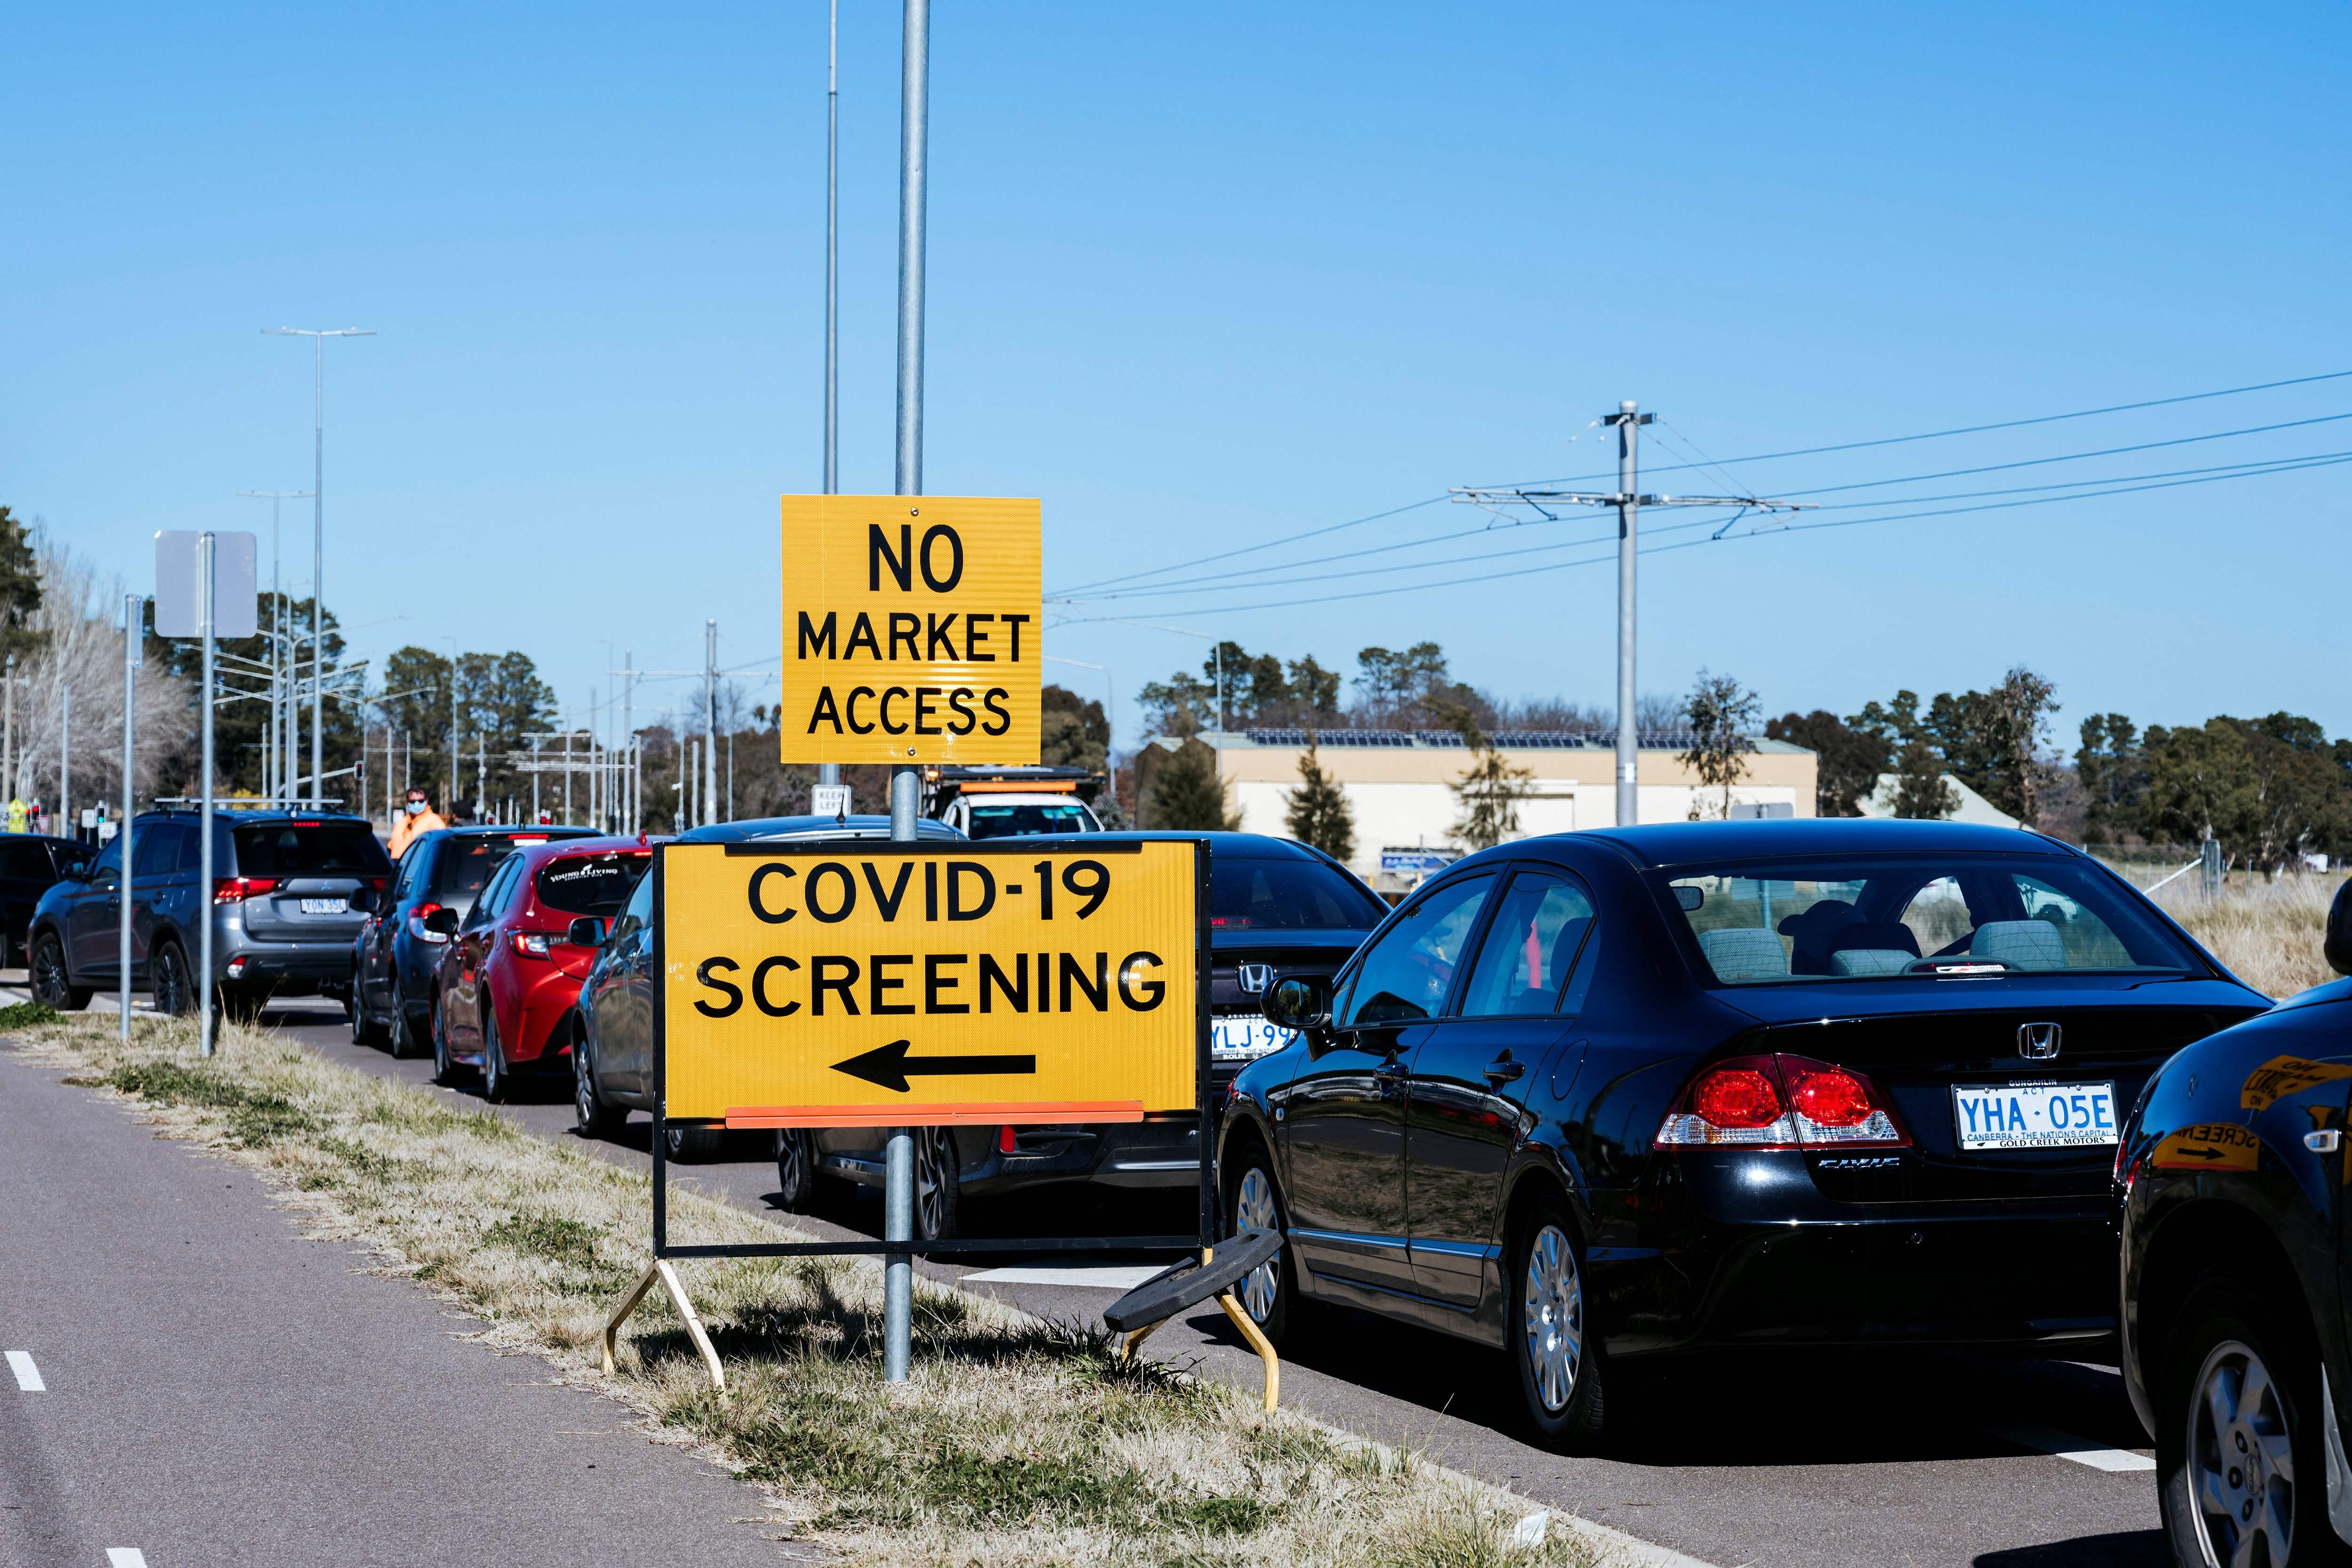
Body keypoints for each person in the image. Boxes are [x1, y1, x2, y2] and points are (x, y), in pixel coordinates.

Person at [389, 788, 447, 858]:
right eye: (413, 802)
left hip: (418, 866)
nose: (417, 804)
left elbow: (439, 848)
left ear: (426, 801)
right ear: (407, 803)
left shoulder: (435, 821)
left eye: (421, 801)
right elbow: (390, 847)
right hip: (397, 865)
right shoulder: (401, 822)